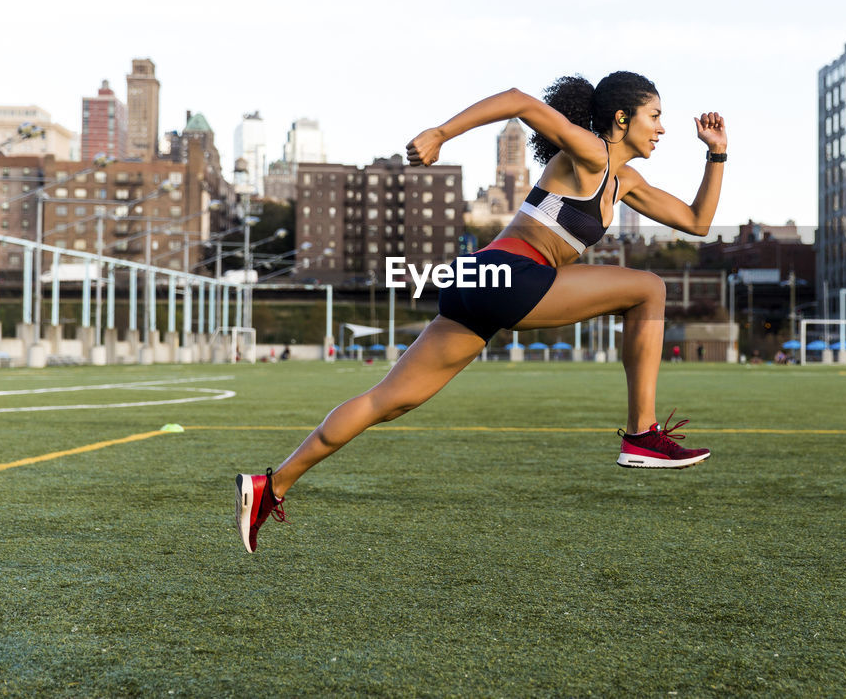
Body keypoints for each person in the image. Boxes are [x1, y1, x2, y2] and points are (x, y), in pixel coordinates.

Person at [235, 73, 728, 553]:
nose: (662, 129)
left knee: (387, 401)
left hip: (476, 280)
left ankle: (272, 485)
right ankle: (642, 434)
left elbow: (697, 221)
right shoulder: (591, 152)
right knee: (648, 289)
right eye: (655, 116)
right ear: (622, 118)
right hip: (513, 274)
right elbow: (519, 100)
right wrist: (440, 134)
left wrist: (716, 153)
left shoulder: (627, 182)